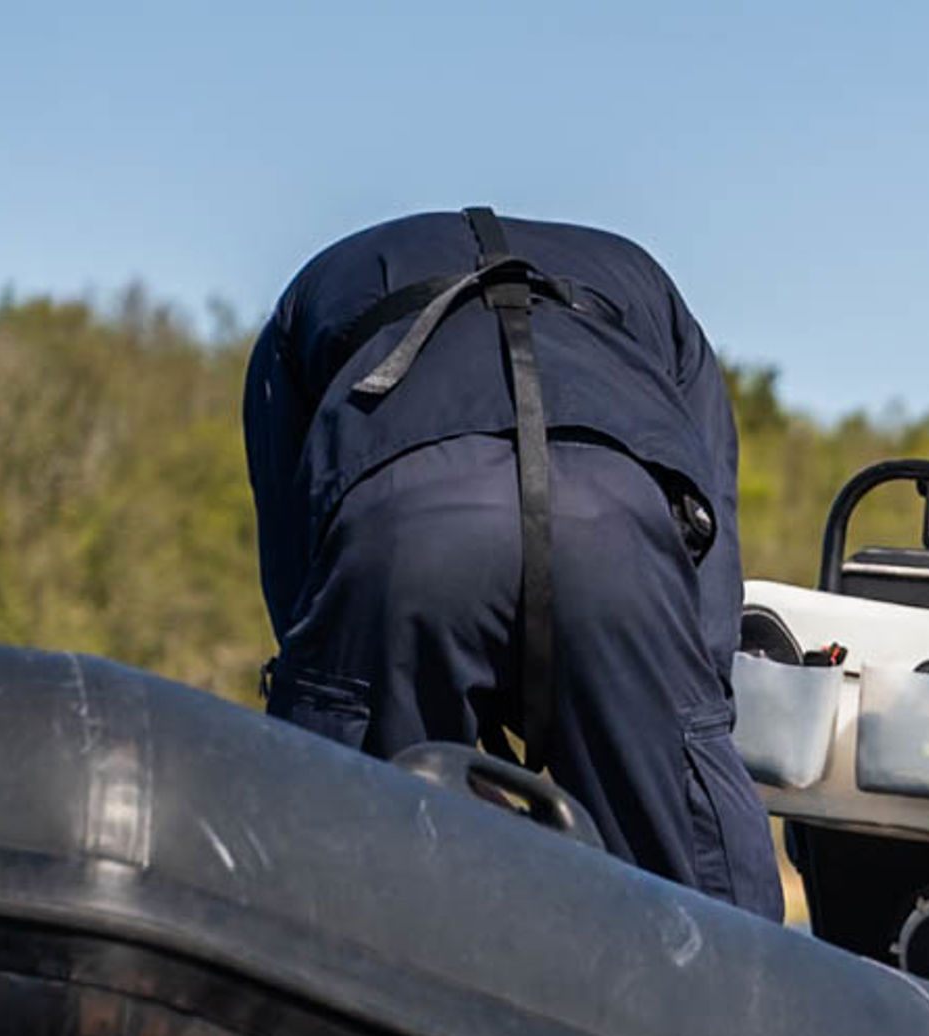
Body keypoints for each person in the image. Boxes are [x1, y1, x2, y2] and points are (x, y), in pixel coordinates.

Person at [241, 208, 782, 919]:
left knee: (337, 868)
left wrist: (327, 684)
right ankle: (729, 1017)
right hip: (616, 524)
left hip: (403, 527)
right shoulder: (643, 275)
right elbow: (710, 527)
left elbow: (293, 550)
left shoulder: (314, 286)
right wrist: (691, 715)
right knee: (705, 897)